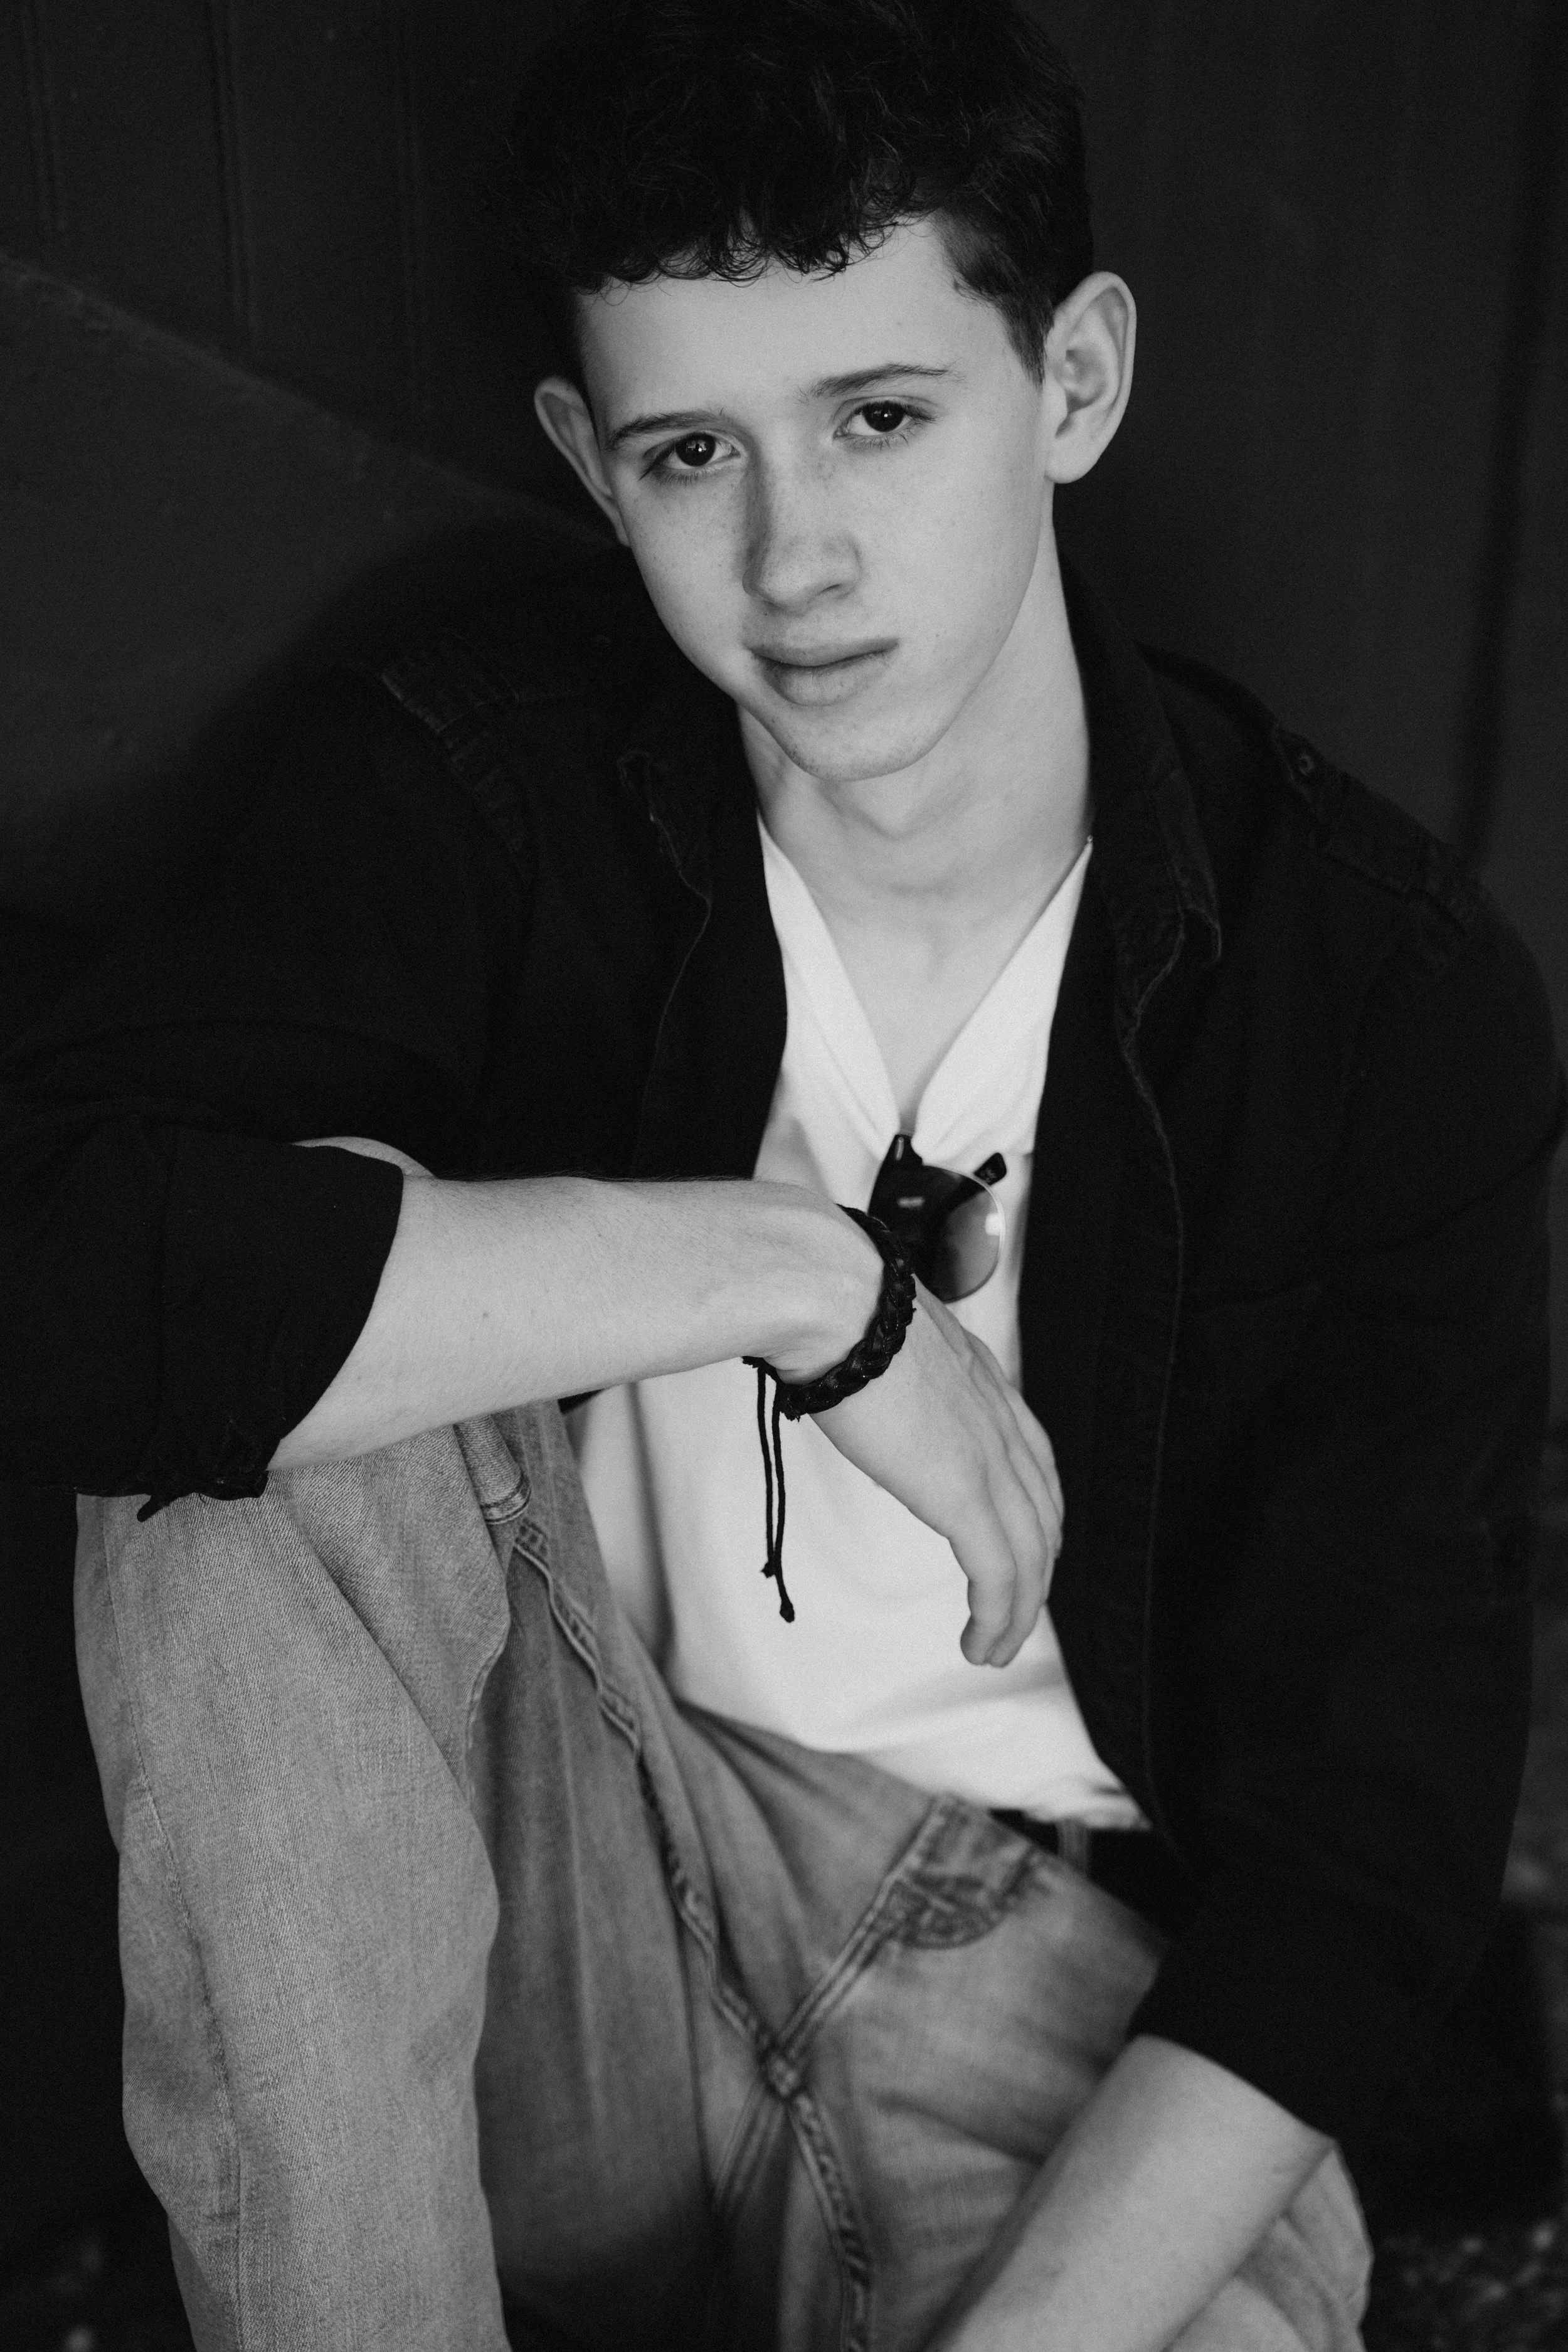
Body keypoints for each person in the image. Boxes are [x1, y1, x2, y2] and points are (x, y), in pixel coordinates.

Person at [4, 1, 1560, 2346]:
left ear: (1074, 383)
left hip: (1054, 1995)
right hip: (540, 1917)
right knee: (241, 1365)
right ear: (585, 457)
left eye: (880, 417)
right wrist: (775, 1276)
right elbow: (63, 1283)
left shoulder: (1368, 985)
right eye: (687, 454)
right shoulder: (486, 791)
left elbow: (1371, 1864)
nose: (793, 552)